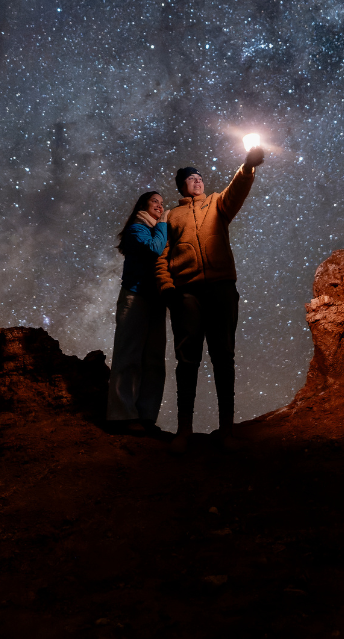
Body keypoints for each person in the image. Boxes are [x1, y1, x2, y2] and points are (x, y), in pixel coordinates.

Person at [155, 145, 266, 454]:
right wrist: (167, 289)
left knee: (223, 358)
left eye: (200, 177)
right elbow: (161, 256)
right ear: (181, 186)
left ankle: (226, 430)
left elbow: (237, 190)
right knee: (187, 361)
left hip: (221, 289)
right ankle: (184, 430)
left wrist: (247, 167)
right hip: (187, 294)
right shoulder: (171, 216)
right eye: (191, 178)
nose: (198, 180)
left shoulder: (217, 203)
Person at [104, 190, 169, 436]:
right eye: (155, 202)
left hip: (155, 299)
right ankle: (121, 416)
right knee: (128, 354)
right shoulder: (137, 229)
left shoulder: (155, 229)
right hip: (135, 296)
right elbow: (154, 250)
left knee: (153, 359)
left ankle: (146, 418)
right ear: (143, 205)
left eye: (162, 204)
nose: (160, 207)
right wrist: (163, 225)